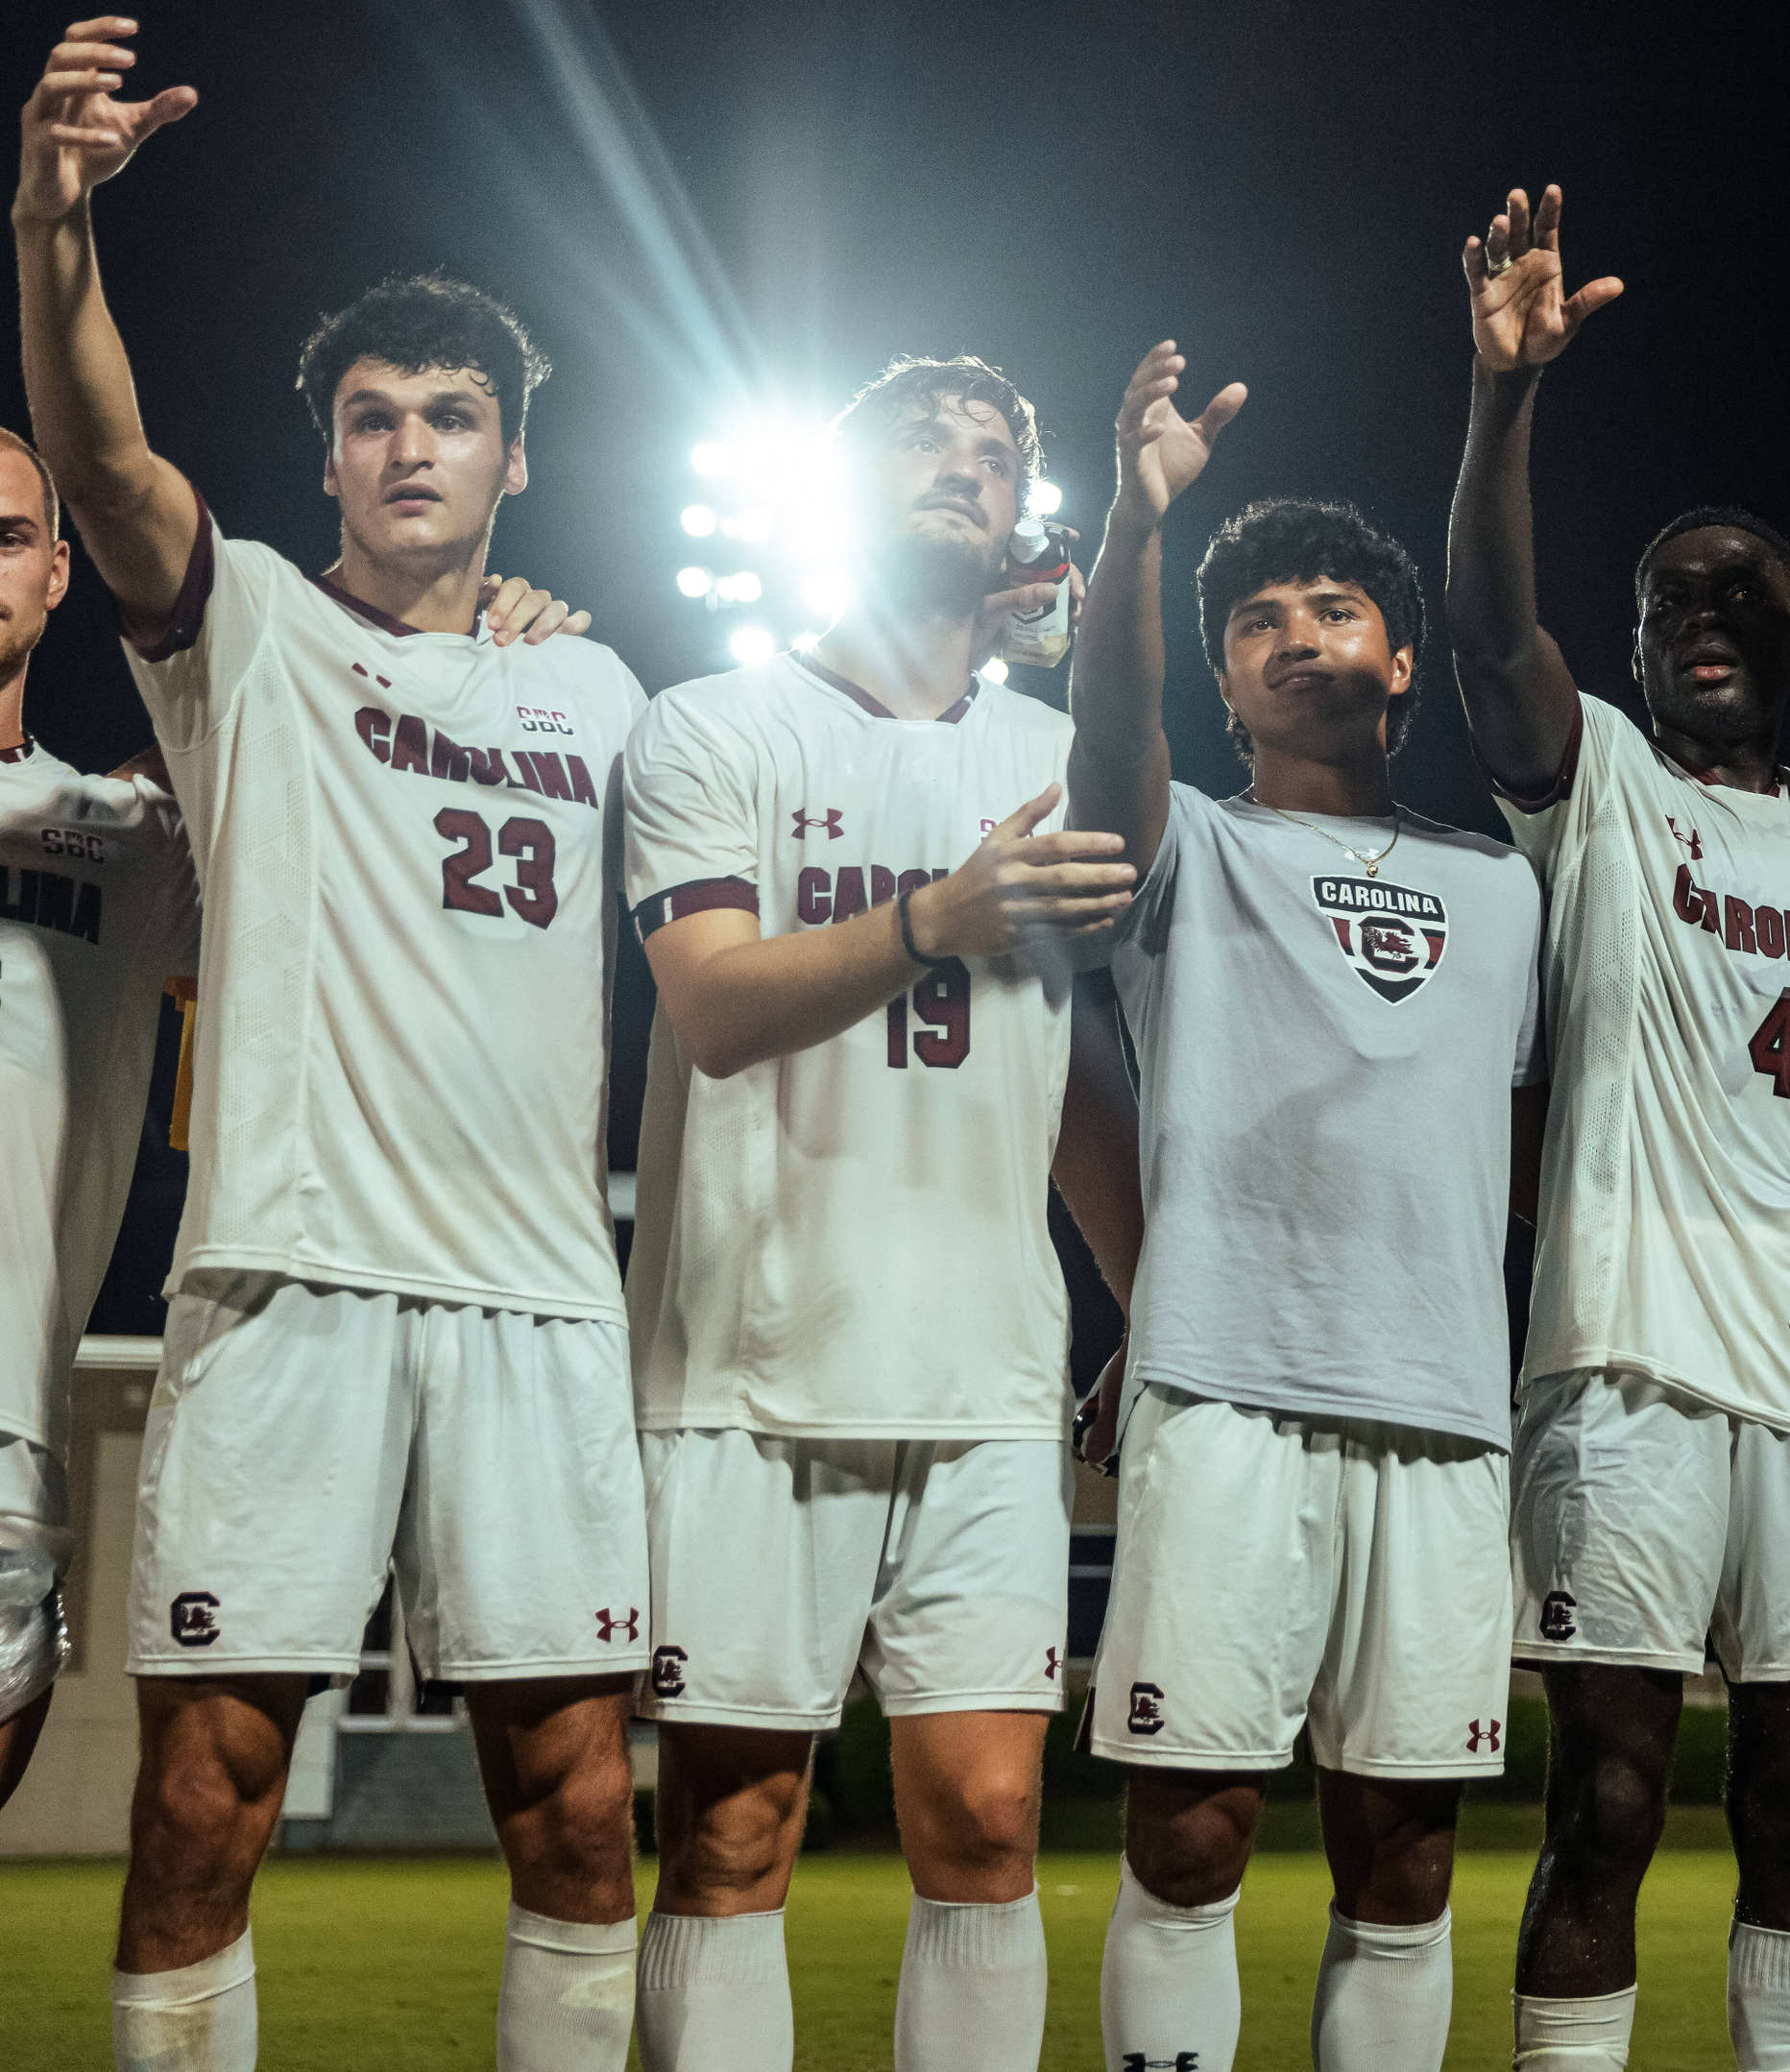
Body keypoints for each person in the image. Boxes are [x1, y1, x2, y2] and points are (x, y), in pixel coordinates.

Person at [18, 24, 657, 2070]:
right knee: (203, 1790)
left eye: (452, 416)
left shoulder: (605, 692)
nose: (409, 447)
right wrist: (55, 225)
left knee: (574, 1802)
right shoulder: (257, 628)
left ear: (514, 460)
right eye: (372, 415)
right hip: (288, 1278)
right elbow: (106, 467)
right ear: (324, 459)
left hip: (539, 1300)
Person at [618, 355, 1142, 2071]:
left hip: (987, 1372)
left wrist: (1149, 1307)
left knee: (992, 1822)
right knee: (733, 1827)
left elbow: (1079, 1081)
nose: (966, 464)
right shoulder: (713, 723)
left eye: (997, 452)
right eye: (924, 441)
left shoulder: (1058, 756)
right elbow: (710, 1006)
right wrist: (935, 912)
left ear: (1016, 526)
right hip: (751, 1364)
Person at [1439, 184, 1790, 2072]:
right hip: (1631, 1359)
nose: (1700, 620)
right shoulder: (1607, 788)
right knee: (1611, 1805)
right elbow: (1485, 635)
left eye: (1739, 596)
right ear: (1627, 648)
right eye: (1665, 603)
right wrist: (1500, 405)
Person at [1064, 341, 1546, 2072]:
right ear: (1223, 678)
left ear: (1400, 656)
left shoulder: (1510, 889)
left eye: (1332, 606)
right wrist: (1134, 526)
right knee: (1190, 1827)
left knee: (1406, 1852)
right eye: (1255, 620)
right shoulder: (1182, 839)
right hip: (1228, 1383)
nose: (1295, 634)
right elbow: (1109, 733)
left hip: (1443, 1401)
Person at [0, 419, 194, 1817]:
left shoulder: (122, 839)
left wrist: (497, 630)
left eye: (5, 536)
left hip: (9, 1429)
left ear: (60, 572)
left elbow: (329, 725)